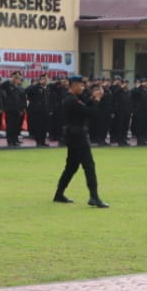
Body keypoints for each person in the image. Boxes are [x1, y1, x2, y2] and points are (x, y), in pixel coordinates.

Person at [54, 74, 109, 207]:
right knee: (89, 166)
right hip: (78, 136)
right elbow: (90, 113)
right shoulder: (71, 100)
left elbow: (84, 107)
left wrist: (91, 99)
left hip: (74, 135)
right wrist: (96, 100)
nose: (83, 87)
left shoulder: (71, 99)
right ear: (74, 86)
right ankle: (94, 197)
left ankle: (59, 194)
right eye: (81, 85)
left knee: (71, 167)